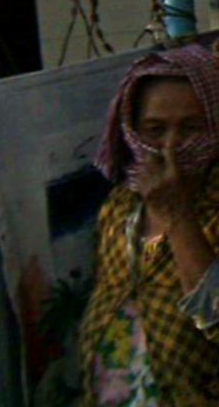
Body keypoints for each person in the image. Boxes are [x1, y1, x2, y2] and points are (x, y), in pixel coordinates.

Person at [78, 43, 219, 406]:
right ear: (132, 131)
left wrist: (177, 215)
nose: (171, 146)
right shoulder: (120, 208)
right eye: (155, 130)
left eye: (191, 128)